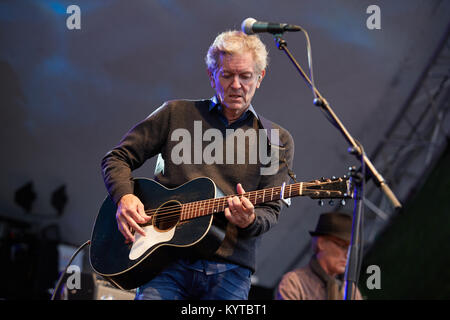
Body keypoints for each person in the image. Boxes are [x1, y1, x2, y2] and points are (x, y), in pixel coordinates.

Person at [101, 30, 295, 300]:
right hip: (163, 262)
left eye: (246, 76)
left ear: (260, 78)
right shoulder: (175, 114)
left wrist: (249, 219)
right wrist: (125, 197)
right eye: (227, 75)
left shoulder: (276, 140)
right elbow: (117, 157)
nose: (236, 85)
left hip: (230, 271)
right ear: (211, 74)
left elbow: (270, 211)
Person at [275, 212, 363, 300]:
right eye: (343, 246)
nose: (347, 254)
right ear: (321, 243)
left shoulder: (351, 291)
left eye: (351, 249)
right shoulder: (294, 283)